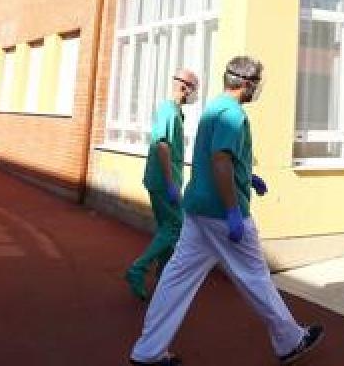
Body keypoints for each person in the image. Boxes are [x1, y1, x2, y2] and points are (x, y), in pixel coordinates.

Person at [129, 56, 324, 366]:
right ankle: (290, 340)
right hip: (223, 214)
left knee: (176, 279)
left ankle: (147, 352)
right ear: (246, 84)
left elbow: (221, 159)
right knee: (255, 276)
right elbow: (221, 160)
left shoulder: (212, 108)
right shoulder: (233, 114)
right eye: (257, 83)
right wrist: (234, 211)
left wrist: (248, 176)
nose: (258, 90)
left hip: (197, 209)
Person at [125, 68, 199, 301]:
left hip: (163, 179)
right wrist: (170, 183)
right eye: (194, 89)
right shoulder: (168, 110)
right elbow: (163, 145)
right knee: (175, 227)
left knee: (168, 229)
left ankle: (164, 277)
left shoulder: (176, 112)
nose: (195, 95)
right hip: (163, 181)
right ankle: (139, 269)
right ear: (184, 87)